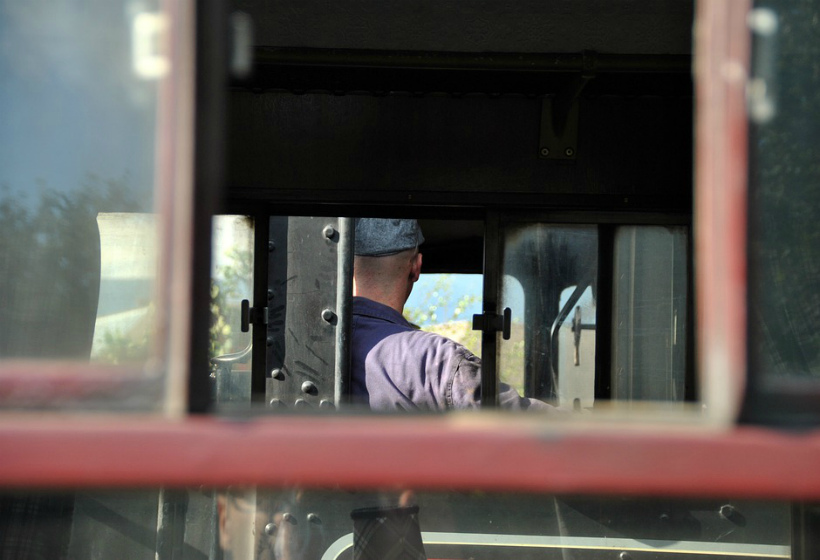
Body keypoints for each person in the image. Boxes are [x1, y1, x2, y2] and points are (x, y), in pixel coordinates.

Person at [351, 218, 554, 411]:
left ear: (347, 267)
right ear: (416, 267)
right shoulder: (436, 362)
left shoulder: (332, 345)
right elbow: (524, 421)